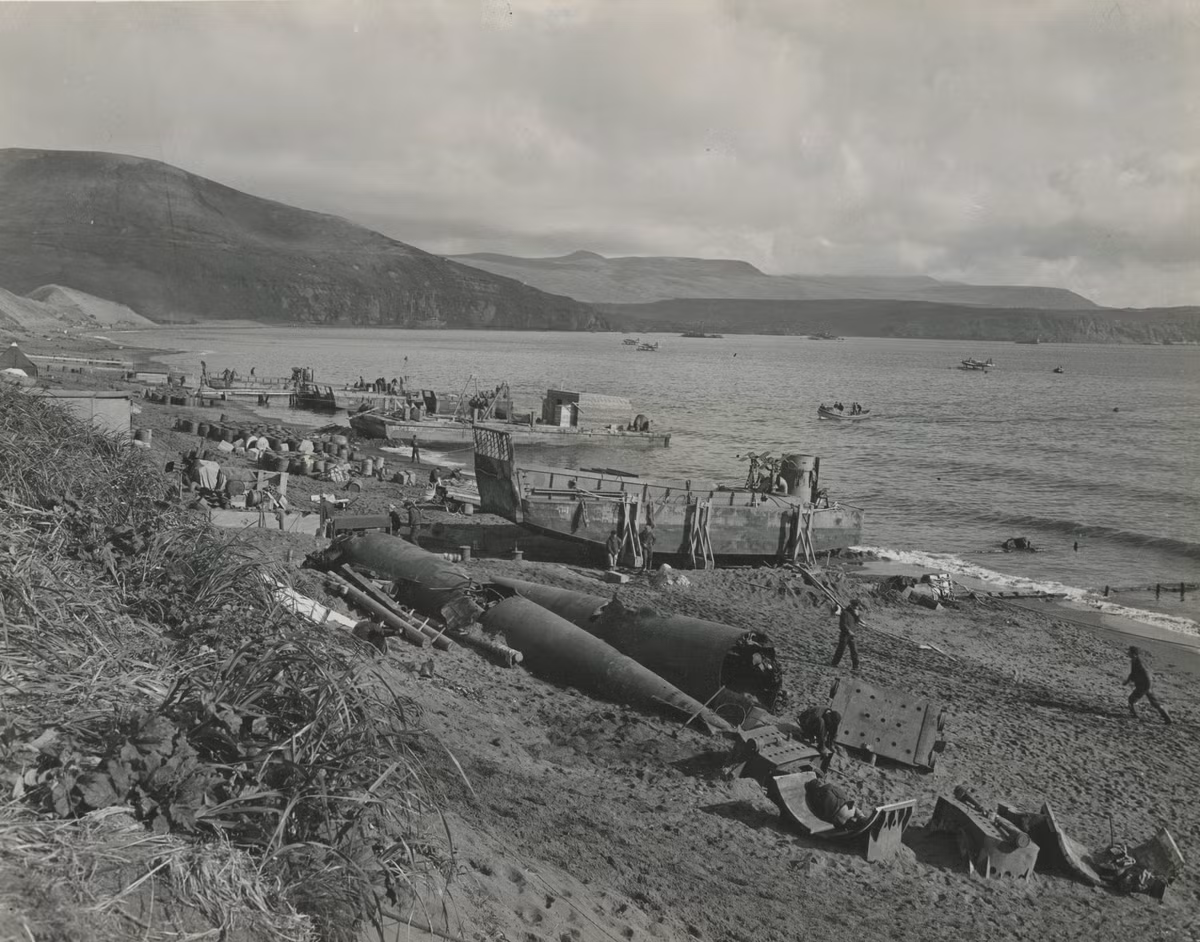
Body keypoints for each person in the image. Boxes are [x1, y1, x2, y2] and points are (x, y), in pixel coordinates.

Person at [1125, 646, 1172, 724]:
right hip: (1146, 684)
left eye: (1129, 652)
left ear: (1134, 654)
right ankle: (1166, 715)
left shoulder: (1139, 663)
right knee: (1154, 702)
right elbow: (1132, 673)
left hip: (1144, 684)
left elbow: (1146, 675)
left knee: (1131, 699)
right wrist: (1127, 681)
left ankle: (1135, 715)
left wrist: (1146, 687)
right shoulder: (1134, 660)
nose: (1127, 653)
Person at [831, 599, 863, 670]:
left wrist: (857, 615)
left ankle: (855, 666)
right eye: (855, 607)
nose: (856, 608)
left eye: (857, 607)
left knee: (854, 651)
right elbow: (843, 624)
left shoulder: (855, 613)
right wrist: (848, 631)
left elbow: (856, 622)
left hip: (852, 634)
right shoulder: (845, 612)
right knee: (840, 650)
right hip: (845, 634)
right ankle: (834, 663)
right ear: (852, 606)